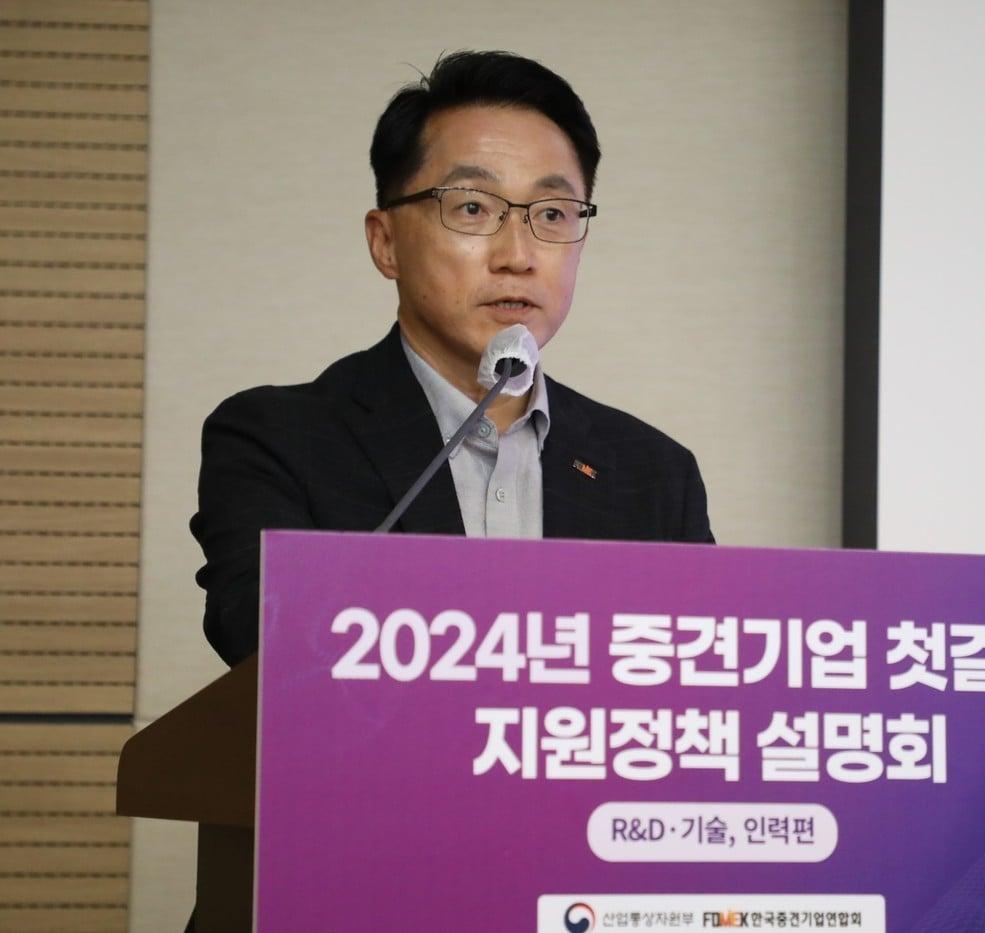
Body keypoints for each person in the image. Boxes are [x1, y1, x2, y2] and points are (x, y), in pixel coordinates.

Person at [190, 51, 714, 667]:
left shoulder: (655, 475)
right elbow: (262, 643)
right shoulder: (279, 441)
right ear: (386, 243)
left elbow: (698, 681)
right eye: (472, 208)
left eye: (551, 214)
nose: (518, 255)